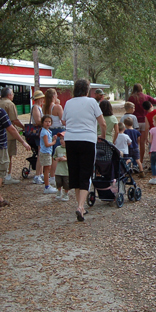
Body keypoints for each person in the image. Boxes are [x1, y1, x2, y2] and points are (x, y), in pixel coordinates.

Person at [62, 78, 107, 222]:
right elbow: (103, 123)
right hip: (87, 140)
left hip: (70, 140)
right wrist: (102, 136)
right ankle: (81, 206)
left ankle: (79, 205)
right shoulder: (92, 102)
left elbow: (64, 121)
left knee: (74, 172)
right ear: (87, 90)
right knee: (86, 172)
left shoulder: (68, 103)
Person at [127, 84, 156, 169]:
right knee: (142, 142)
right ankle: (141, 161)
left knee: (134, 142)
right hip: (145, 121)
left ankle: (134, 162)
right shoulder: (146, 97)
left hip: (134, 121)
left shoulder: (131, 98)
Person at [0, 87, 23, 185]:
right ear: (9, 95)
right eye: (12, 94)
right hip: (8, 134)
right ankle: (7, 176)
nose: (13, 95)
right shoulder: (9, 104)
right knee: (9, 156)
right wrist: (24, 127)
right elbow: (14, 120)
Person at [43, 88, 65, 184]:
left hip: (49, 130)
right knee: (58, 153)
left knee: (51, 153)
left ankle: (50, 174)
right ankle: (54, 175)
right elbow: (63, 120)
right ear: (53, 96)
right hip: (58, 129)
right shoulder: (57, 107)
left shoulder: (44, 107)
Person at [35, 115, 58, 194]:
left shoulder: (48, 131)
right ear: (42, 122)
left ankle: (47, 184)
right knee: (47, 169)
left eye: (49, 122)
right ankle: (47, 186)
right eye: (46, 121)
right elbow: (46, 144)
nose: (48, 123)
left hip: (48, 152)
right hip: (45, 152)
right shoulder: (44, 132)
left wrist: (53, 138)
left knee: (48, 167)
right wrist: (54, 142)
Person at [53, 134, 70, 201]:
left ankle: (66, 194)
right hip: (58, 170)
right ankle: (59, 192)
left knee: (66, 183)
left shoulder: (69, 149)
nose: (61, 141)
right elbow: (54, 157)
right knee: (58, 182)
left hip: (66, 170)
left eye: (63, 139)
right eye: (60, 139)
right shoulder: (58, 148)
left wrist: (65, 159)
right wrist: (57, 158)